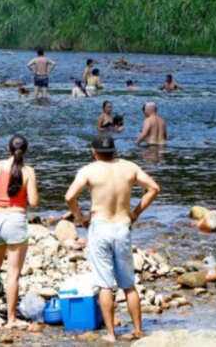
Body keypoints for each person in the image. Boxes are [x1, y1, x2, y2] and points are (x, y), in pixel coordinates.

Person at [64, 135, 160, 343]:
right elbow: (154, 189)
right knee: (128, 284)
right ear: (114, 151)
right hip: (122, 228)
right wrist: (135, 214)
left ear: (94, 151)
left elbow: (69, 197)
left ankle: (110, 334)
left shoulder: (89, 170)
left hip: (100, 228)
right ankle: (137, 331)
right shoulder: (129, 167)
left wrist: (80, 218)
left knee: (104, 285)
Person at [0, 135, 39, 328]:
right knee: (13, 274)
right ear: (26, 151)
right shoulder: (28, 171)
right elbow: (35, 202)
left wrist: (1, 196)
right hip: (16, 220)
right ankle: (11, 319)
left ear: (8, 149)